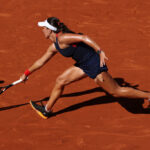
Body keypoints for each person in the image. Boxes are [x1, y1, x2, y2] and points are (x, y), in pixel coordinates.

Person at [20, 17, 150, 119]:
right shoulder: (54, 46)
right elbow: (41, 61)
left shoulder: (64, 38)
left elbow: (84, 38)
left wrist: (100, 52)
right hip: (83, 65)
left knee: (116, 91)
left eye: (44, 27)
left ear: (50, 30)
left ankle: (148, 95)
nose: (42, 29)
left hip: (94, 63)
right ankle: (47, 110)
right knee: (61, 80)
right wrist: (26, 73)